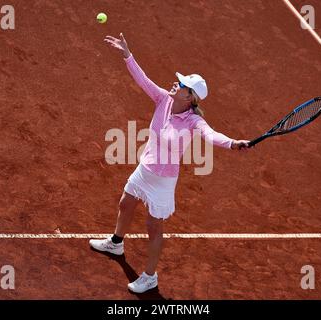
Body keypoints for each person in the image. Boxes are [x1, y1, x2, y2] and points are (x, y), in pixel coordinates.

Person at [90, 33, 250, 294]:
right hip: (145, 168)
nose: (176, 83)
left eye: (182, 84)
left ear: (190, 98)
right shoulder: (163, 99)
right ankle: (116, 243)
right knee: (125, 202)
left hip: (163, 181)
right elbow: (143, 80)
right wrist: (127, 54)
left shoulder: (194, 122)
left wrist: (232, 143)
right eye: (179, 81)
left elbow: (212, 136)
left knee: (154, 228)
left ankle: (150, 277)